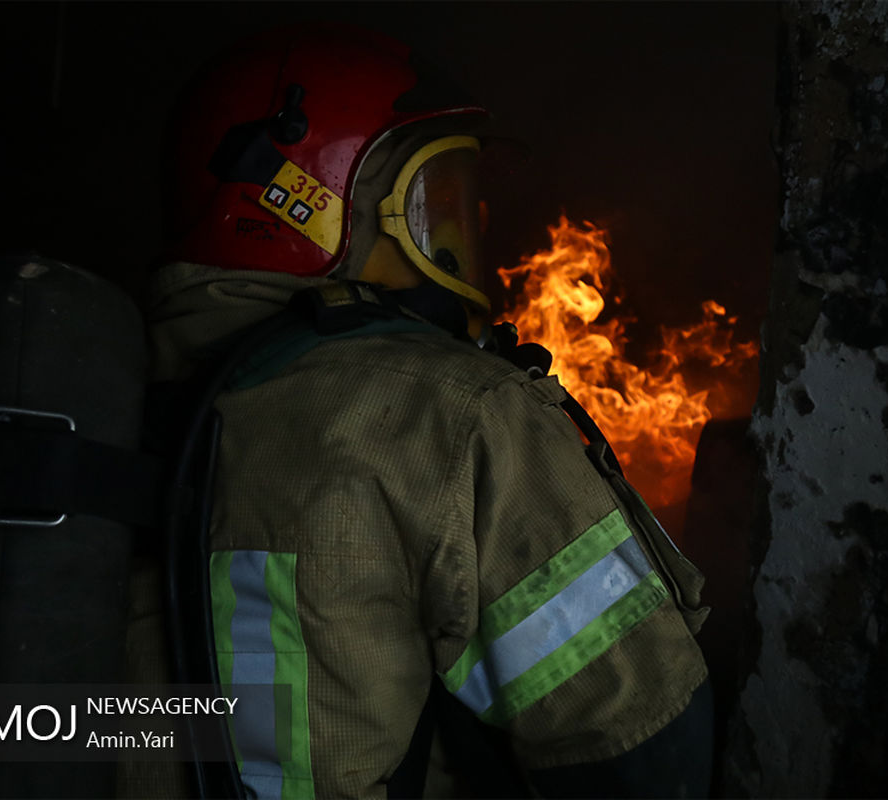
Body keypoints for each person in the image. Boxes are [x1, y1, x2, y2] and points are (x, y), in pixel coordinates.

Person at [142, 21, 714, 799]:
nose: (460, 230)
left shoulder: (85, 393)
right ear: (299, 199)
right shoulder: (453, 412)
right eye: (431, 203)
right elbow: (639, 745)